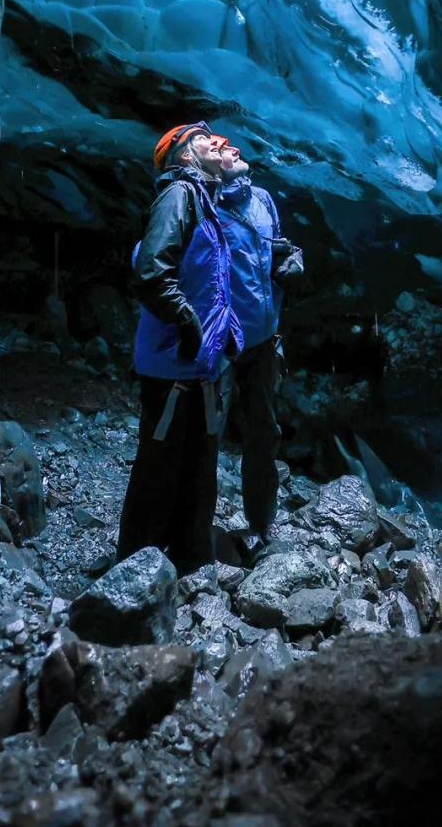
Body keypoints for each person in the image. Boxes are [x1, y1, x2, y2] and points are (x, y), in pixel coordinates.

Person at [116, 121, 243, 574]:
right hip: (173, 364)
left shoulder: (204, 202)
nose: (214, 141)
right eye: (200, 139)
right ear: (184, 156)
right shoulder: (179, 196)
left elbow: (208, 281)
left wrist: (220, 335)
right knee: (160, 465)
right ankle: (135, 571)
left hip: (196, 366)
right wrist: (189, 324)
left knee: (196, 464)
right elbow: (152, 273)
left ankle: (188, 562)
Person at [217, 138, 303, 541]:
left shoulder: (262, 200)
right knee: (205, 434)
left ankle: (262, 524)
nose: (231, 148)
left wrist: (292, 259)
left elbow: (278, 247)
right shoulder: (206, 206)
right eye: (220, 148)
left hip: (265, 341)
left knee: (263, 432)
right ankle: (192, 527)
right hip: (222, 346)